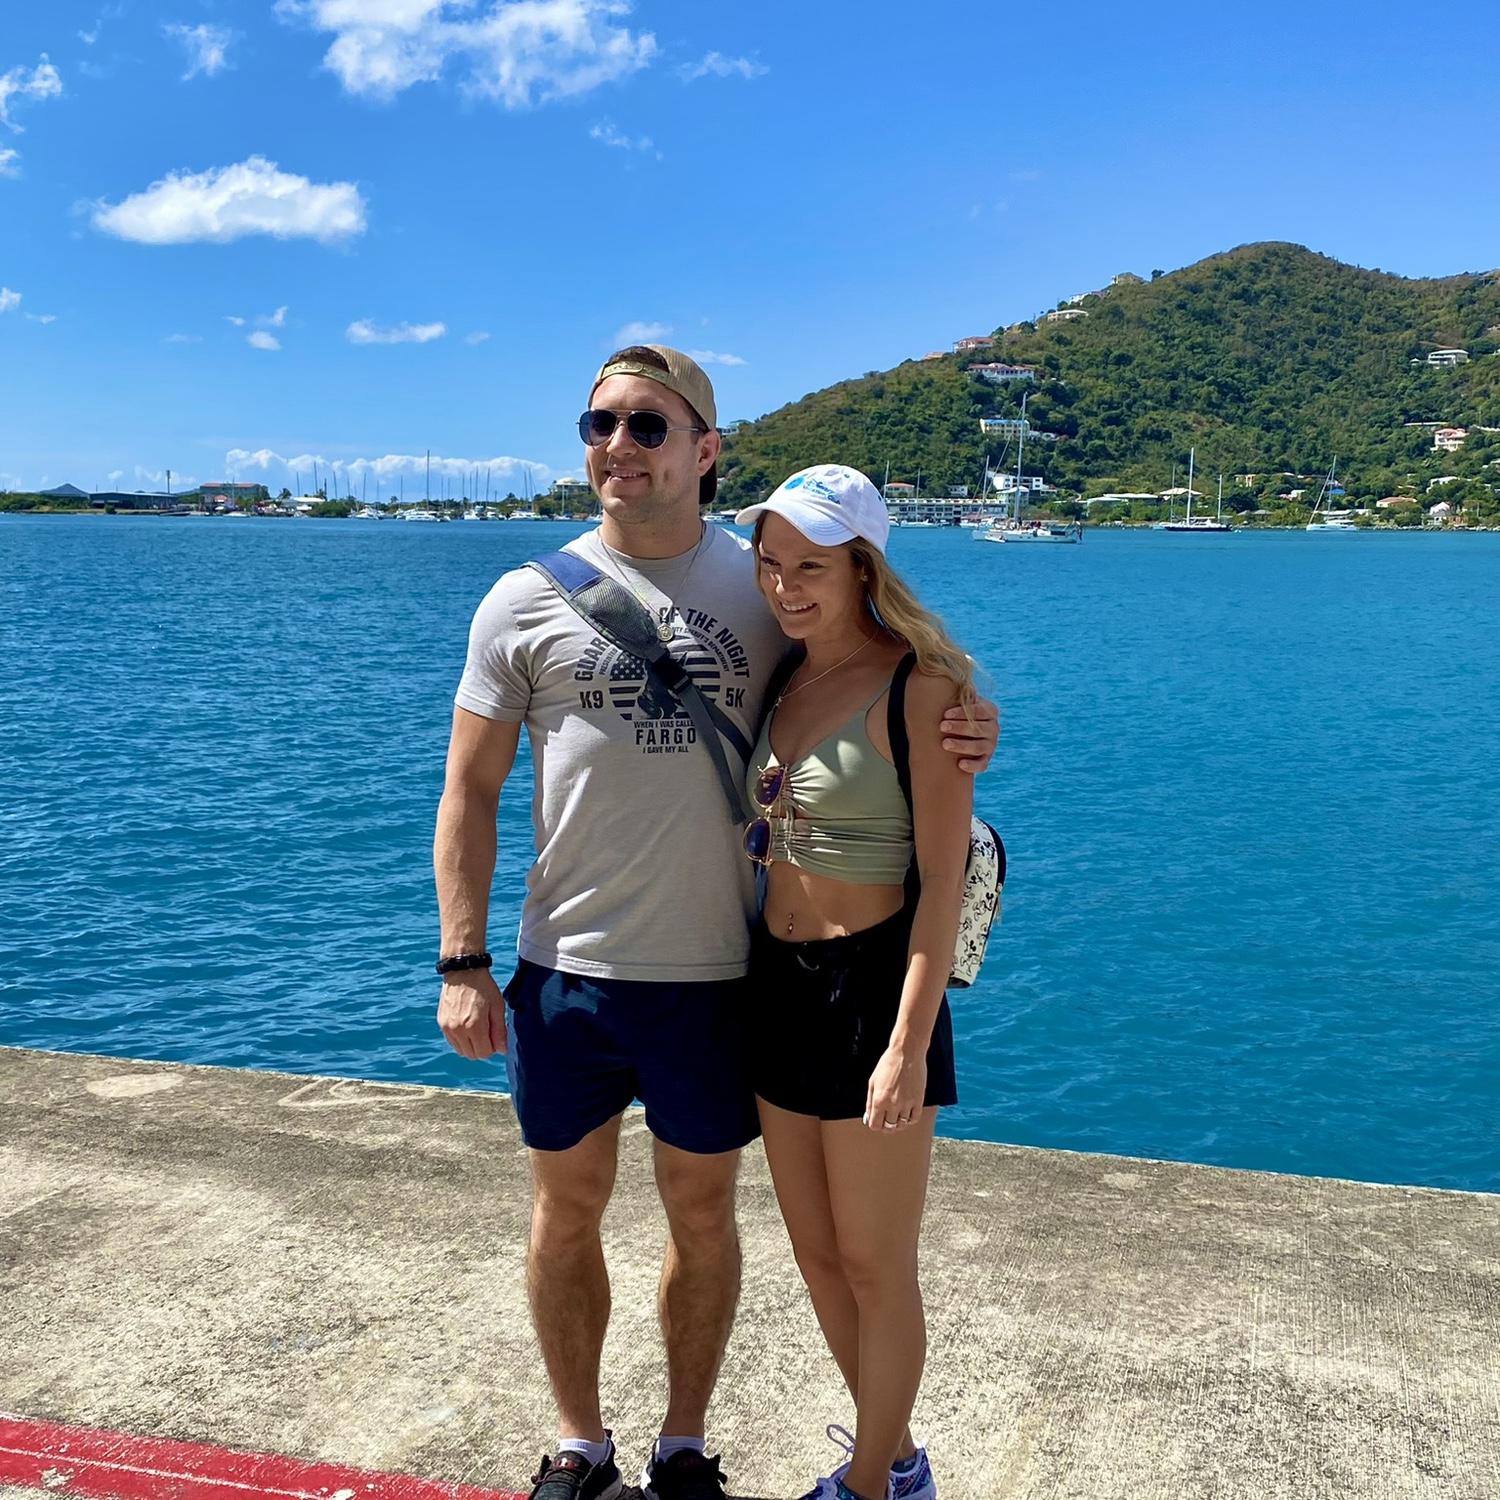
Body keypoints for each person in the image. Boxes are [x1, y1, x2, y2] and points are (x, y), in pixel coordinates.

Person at [434, 347, 996, 1500]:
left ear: (705, 449)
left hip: (722, 975)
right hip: (567, 968)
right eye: (599, 423)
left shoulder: (764, 580)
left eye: (648, 425)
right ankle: (581, 1444)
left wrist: (969, 718)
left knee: (706, 1214)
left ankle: (687, 1446)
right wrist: (462, 960)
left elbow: (881, 679)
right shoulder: (521, 599)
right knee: (566, 1209)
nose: (618, 446)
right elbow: (469, 791)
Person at [735, 465, 975, 1500]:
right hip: (777, 982)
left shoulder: (921, 689)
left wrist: (907, 1046)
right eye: (771, 564)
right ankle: (898, 1462)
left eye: (812, 568)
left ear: (863, 569)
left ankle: (869, 1485)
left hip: (875, 988)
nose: (786, 587)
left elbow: (942, 885)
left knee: (878, 1266)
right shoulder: (781, 676)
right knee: (819, 1259)